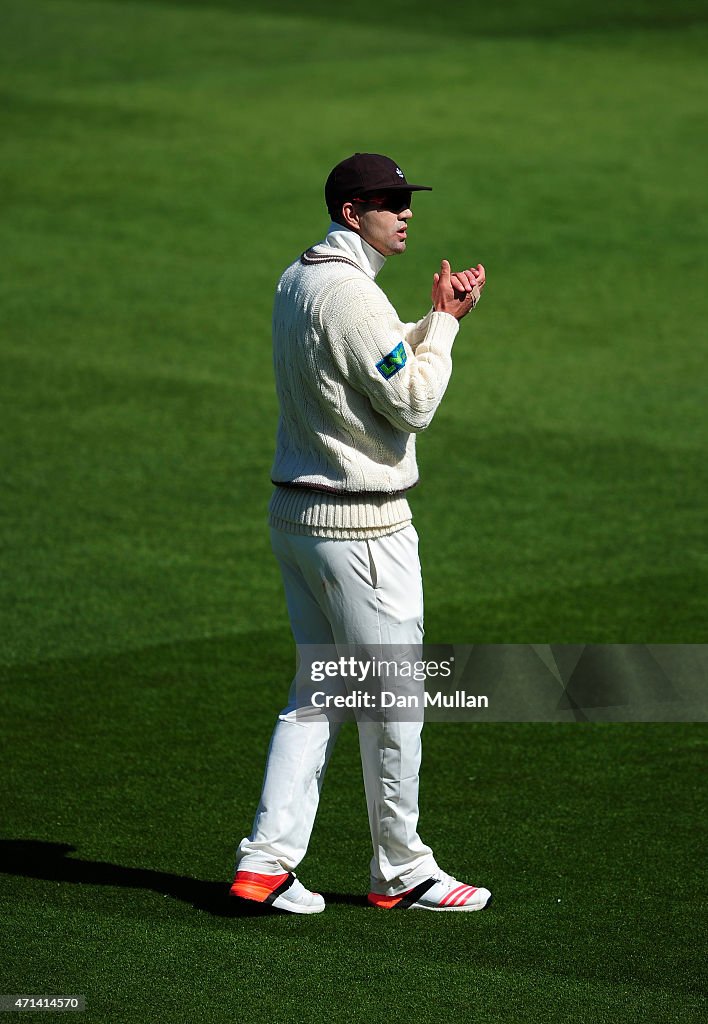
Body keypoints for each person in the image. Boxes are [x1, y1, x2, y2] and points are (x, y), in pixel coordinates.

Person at [230, 153, 491, 914]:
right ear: (353, 212)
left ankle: (264, 864)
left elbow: (358, 362)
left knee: (317, 693)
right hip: (361, 530)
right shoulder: (351, 295)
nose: (405, 211)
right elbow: (411, 401)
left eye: (407, 199)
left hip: (298, 517)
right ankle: (402, 870)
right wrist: (443, 325)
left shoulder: (301, 276)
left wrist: (430, 318)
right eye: (389, 201)